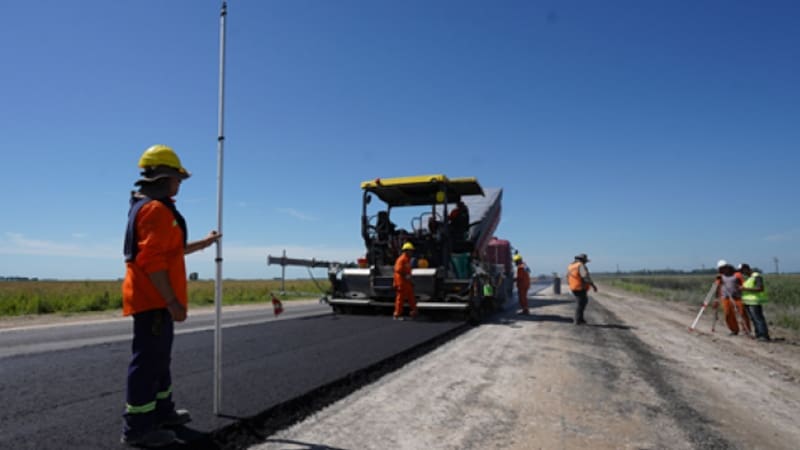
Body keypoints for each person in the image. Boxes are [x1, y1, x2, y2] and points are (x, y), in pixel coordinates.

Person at [121, 144, 221, 447]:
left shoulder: (154, 207)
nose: (180, 183)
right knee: (148, 362)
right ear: (164, 176)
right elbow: (151, 261)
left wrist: (205, 243)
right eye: (178, 177)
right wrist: (172, 301)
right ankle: (138, 428)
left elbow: (171, 251)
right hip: (153, 301)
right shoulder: (154, 210)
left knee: (160, 360)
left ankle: (162, 412)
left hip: (156, 301)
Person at [716, 260, 751, 336]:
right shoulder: (720, 277)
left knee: (742, 314)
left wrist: (741, 288)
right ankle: (734, 330)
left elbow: (743, 285)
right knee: (728, 314)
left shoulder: (737, 275)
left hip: (737, 297)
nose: (723, 269)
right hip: (725, 298)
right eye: (721, 268)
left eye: (724, 268)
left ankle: (746, 330)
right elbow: (717, 287)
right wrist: (716, 299)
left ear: (728, 267)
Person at [740, 263, 771, 341]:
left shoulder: (756, 276)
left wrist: (744, 289)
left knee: (758, 318)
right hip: (748, 302)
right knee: (753, 319)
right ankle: (758, 334)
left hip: (755, 302)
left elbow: (760, 288)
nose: (742, 273)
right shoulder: (749, 278)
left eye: (742, 271)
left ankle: (764, 335)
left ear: (746, 268)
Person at [567, 253, 597, 325]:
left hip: (574, 287)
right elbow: (585, 277)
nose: (586, 262)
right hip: (580, 287)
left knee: (583, 302)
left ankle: (580, 319)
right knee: (581, 304)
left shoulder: (571, 266)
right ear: (582, 260)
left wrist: (571, 284)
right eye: (585, 261)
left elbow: (567, 277)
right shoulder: (580, 266)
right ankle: (577, 320)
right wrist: (593, 285)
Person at [393, 241, 418, 320]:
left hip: (406, 282)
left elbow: (407, 271)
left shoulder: (407, 260)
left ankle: (414, 312)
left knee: (411, 298)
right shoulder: (401, 259)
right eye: (410, 250)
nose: (411, 252)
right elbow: (398, 269)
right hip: (401, 282)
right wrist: (405, 276)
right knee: (400, 299)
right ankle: (397, 315)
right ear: (406, 251)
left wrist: (410, 281)